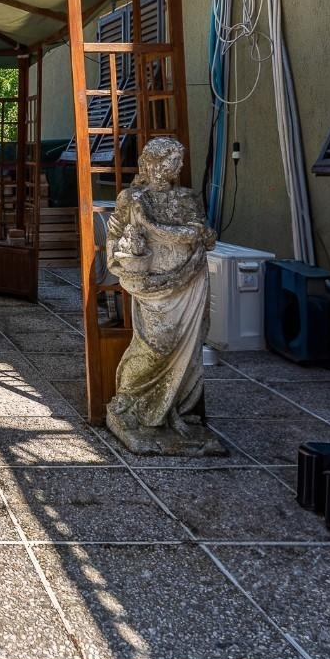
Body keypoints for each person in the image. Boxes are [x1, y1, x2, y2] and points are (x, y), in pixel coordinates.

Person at [102, 136, 225, 456]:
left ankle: (174, 411)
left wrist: (161, 227)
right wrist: (124, 250)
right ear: (155, 163)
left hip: (190, 281)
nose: (179, 166)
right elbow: (114, 239)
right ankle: (129, 401)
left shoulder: (187, 198)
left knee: (187, 348)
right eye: (173, 160)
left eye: (179, 161)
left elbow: (204, 236)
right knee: (154, 345)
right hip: (153, 286)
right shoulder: (132, 198)